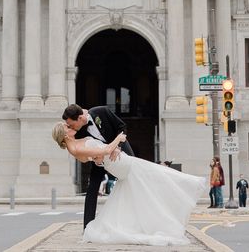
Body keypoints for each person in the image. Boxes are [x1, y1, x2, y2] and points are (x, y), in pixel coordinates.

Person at [52, 122, 206, 246]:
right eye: (67, 126)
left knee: (140, 185)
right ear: (64, 133)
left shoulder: (75, 144)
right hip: (118, 163)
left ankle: (146, 222)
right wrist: (118, 140)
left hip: (116, 161)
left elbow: (92, 156)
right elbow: (104, 150)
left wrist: (99, 157)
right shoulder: (75, 147)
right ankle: (189, 186)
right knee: (155, 173)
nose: (70, 126)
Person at [62, 104, 134, 228]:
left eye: (71, 124)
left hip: (120, 149)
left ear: (79, 118)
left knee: (132, 179)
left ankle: (132, 218)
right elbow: (85, 151)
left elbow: (122, 127)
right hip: (100, 160)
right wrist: (95, 159)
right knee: (92, 188)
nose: (71, 127)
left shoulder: (102, 111)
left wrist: (118, 146)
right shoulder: (78, 133)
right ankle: (88, 226)